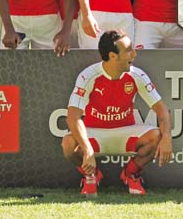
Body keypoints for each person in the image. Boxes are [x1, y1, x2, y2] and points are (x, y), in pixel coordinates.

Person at [62, 30, 172, 196]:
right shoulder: (88, 76)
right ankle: (90, 175)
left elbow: (161, 110)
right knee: (68, 144)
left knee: (157, 136)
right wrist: (87, 150)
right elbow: (73, 117)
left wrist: (167, 139)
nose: (134, 54)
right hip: (95, 135)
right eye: (128, 50)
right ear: (113, 56)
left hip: (125, 133)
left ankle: (130, 174)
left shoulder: (137, 75)